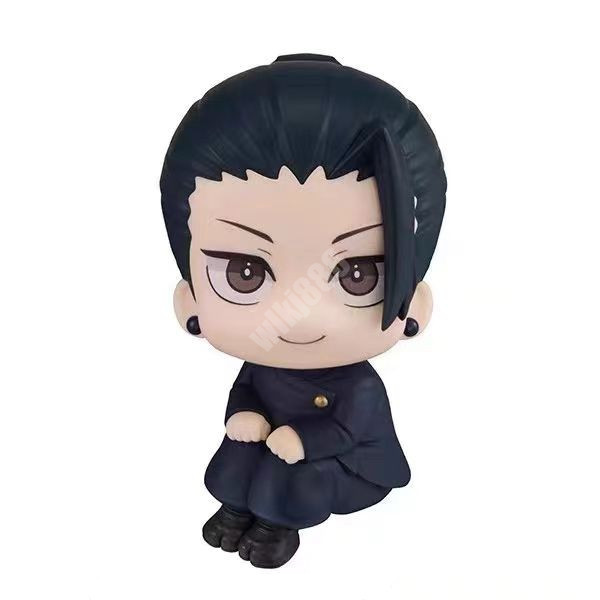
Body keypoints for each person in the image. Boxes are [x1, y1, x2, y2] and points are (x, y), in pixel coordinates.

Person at [160, 53, 446, 568]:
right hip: (276, 447)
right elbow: (247, 391)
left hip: (348, 466)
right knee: (239, 448)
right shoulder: (259, 367)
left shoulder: (358, 387)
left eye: (358, 274)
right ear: (190, 302)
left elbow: (349, 431)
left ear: (415, 307)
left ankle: (275, 526)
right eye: (245, 273)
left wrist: (302, 439)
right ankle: (234, 508)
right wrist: (244, 415)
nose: (300, 312)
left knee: (293, 471)